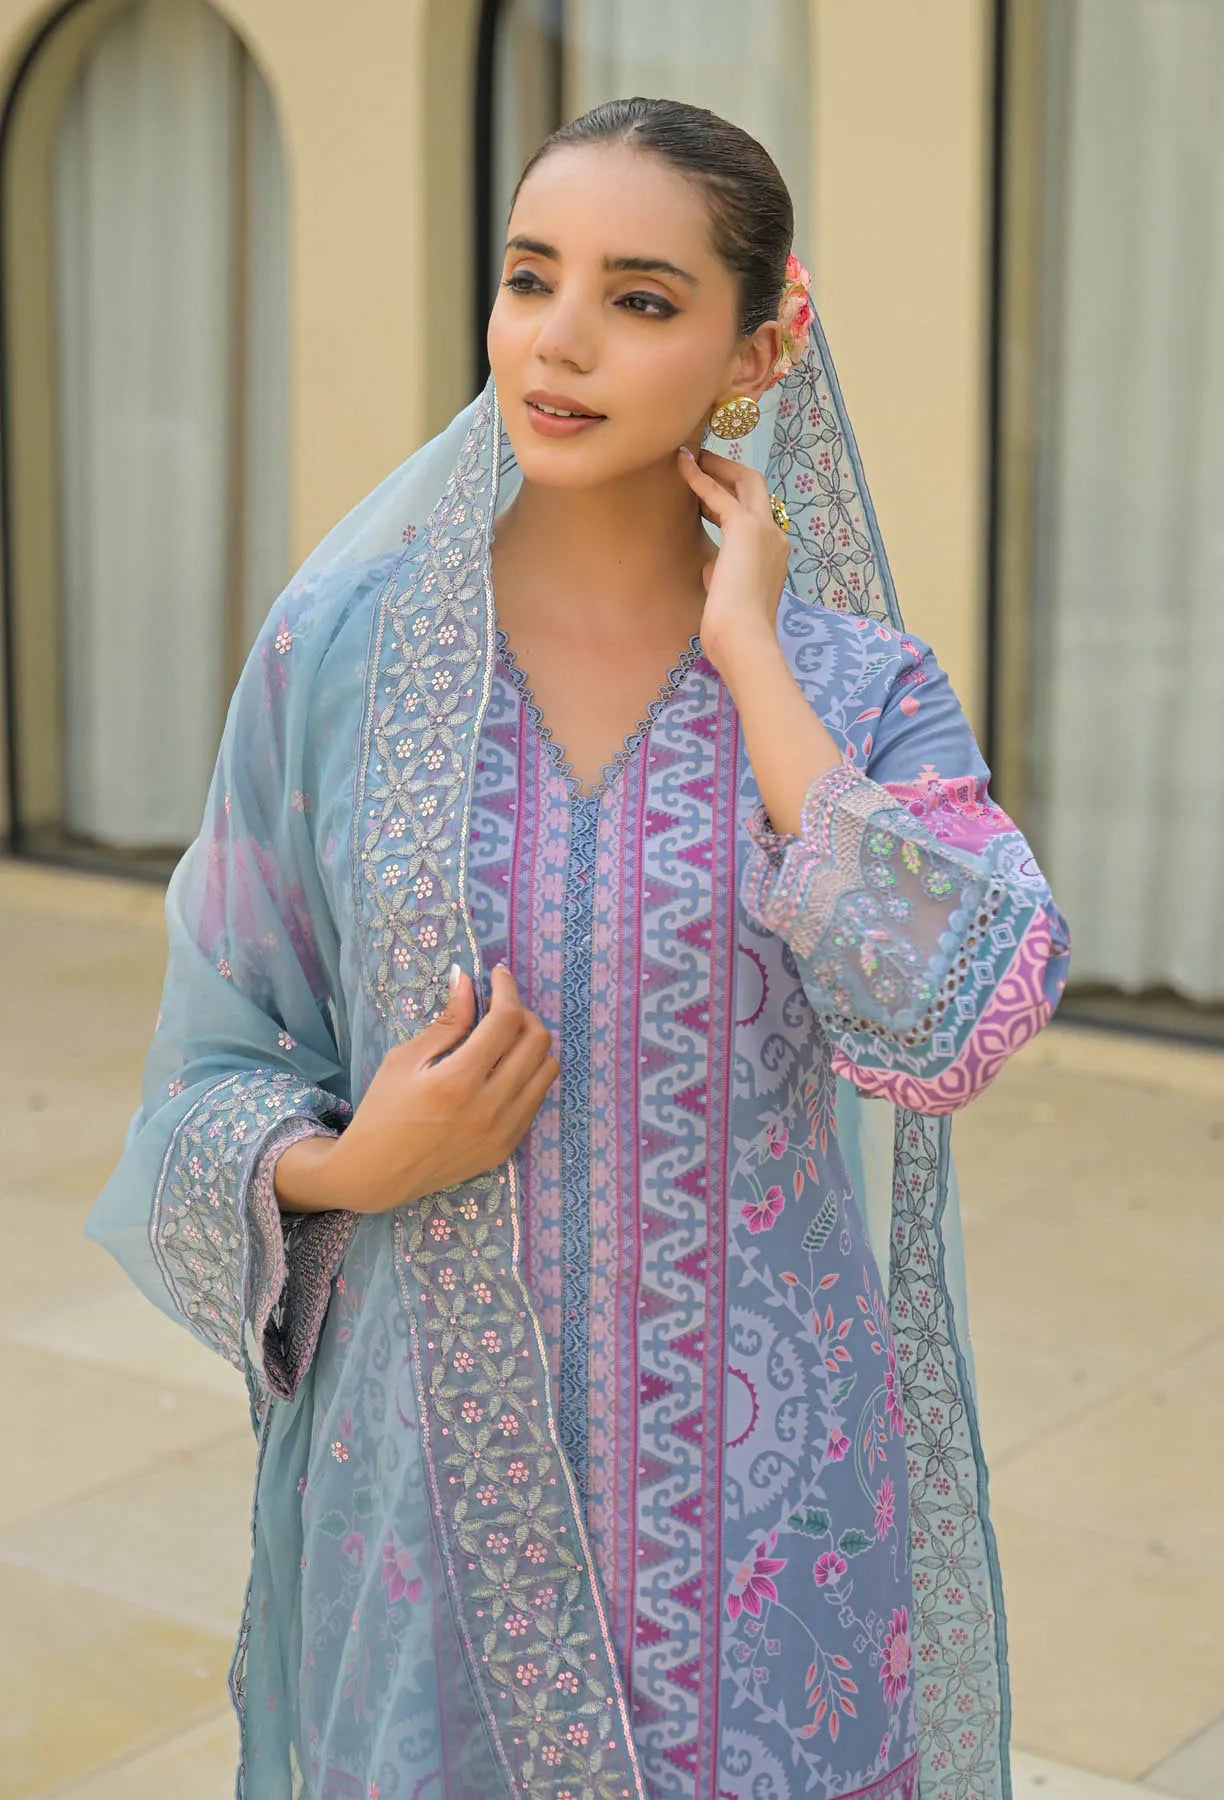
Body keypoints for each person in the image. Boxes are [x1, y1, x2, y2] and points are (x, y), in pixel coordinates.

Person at [88, 96, 1070, 1800]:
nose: (558, 340)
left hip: (771, 1521)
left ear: (758, 352)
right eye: (531, 276)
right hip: (423, 1492)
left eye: (640, 296)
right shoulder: (340, 662)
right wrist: (338, 1166)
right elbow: (215, 1064)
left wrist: (753, 657)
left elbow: (967, 1011)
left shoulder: (855, 692)